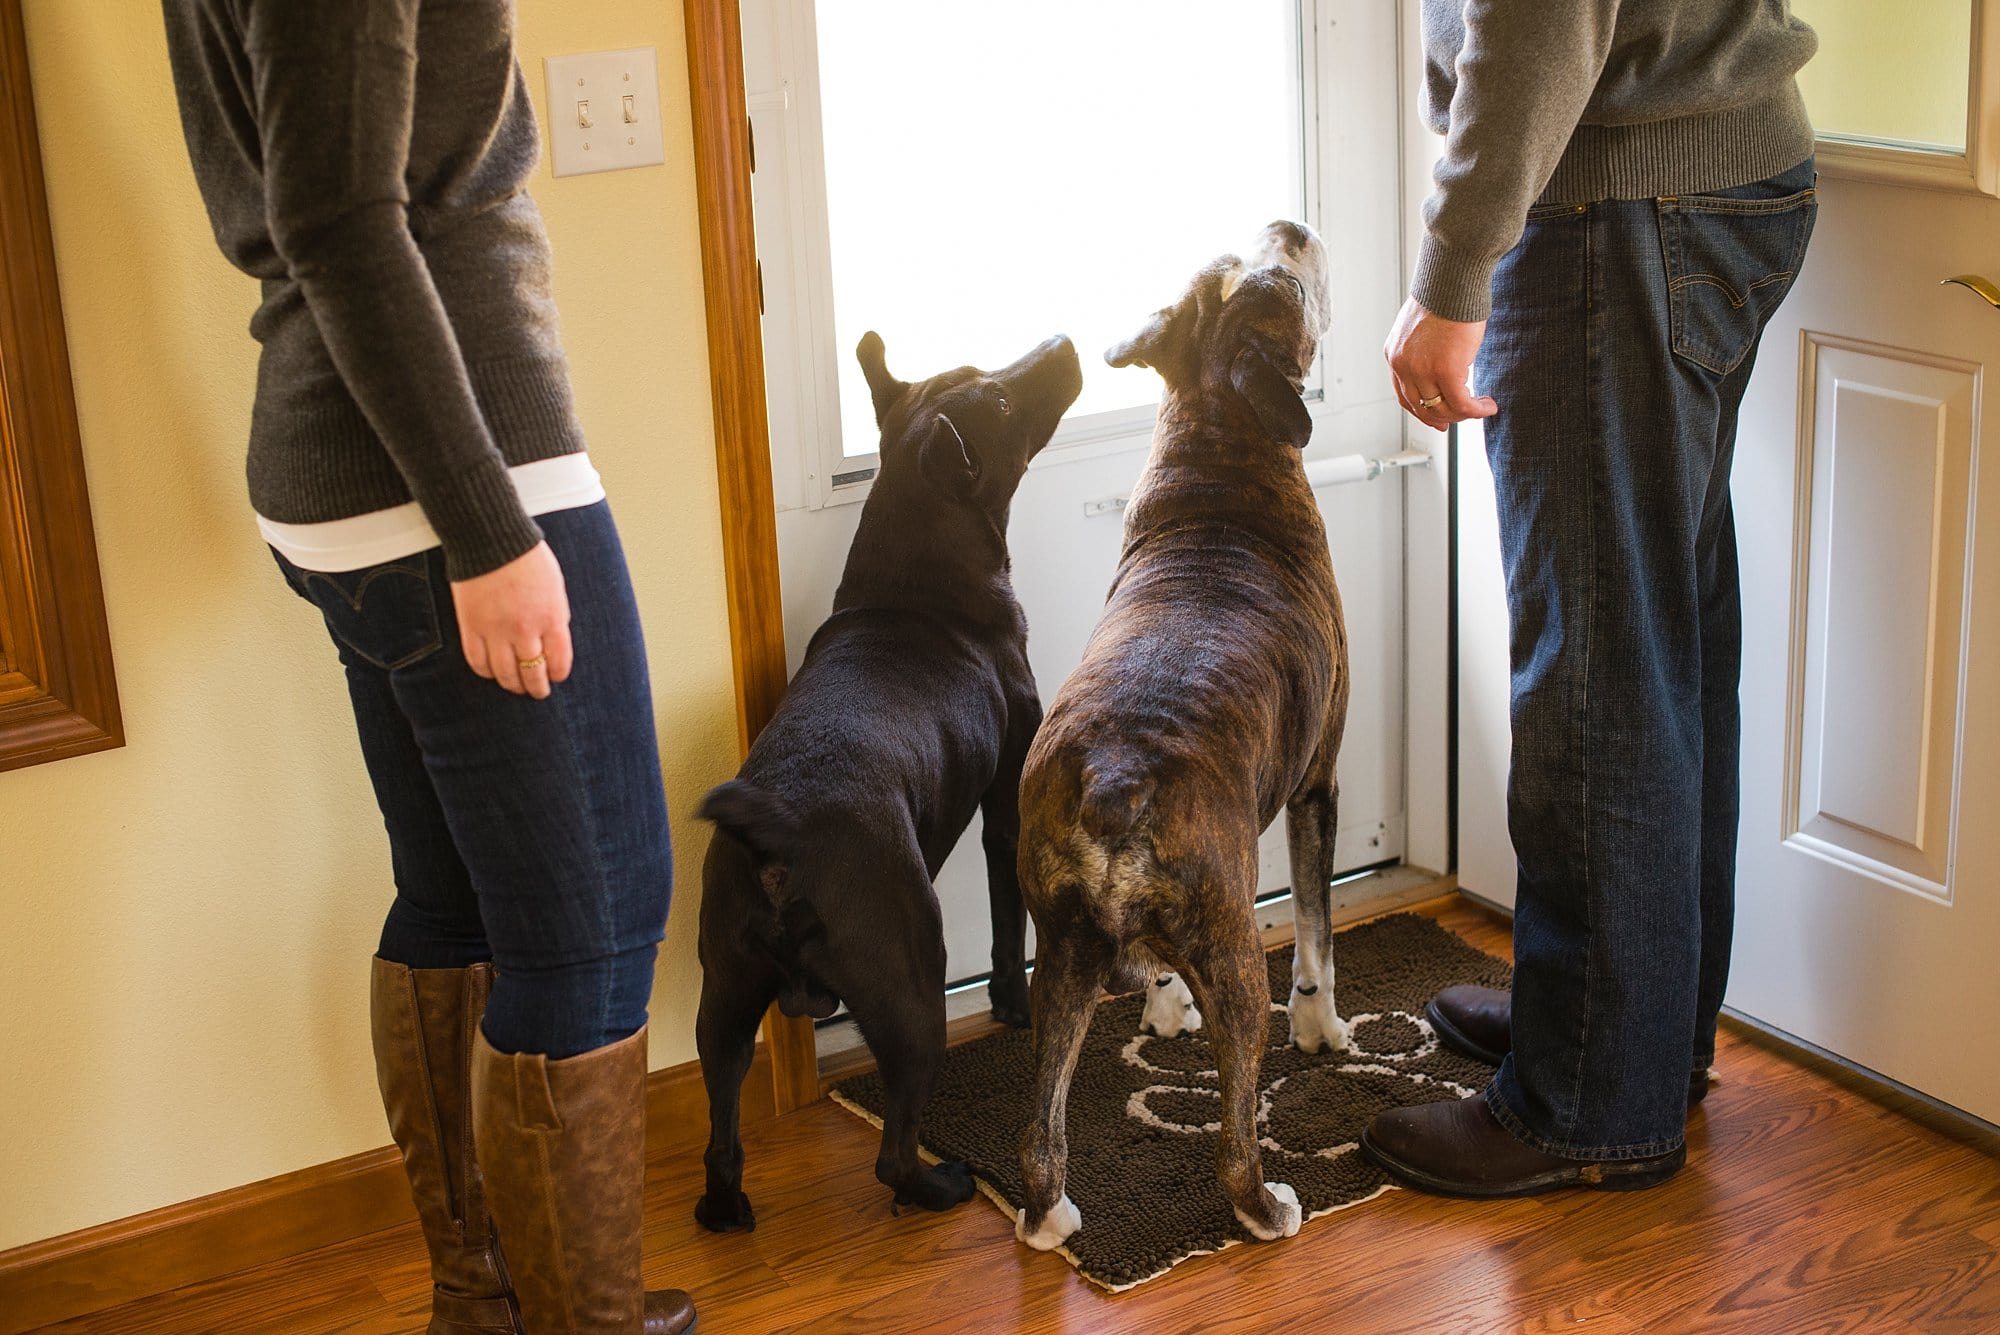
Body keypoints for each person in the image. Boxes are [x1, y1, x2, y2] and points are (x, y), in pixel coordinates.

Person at [162, 3, 695, 1328]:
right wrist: (487, 527)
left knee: (457, 899)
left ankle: (486, 1297)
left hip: (346, 477)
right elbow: (343, 216)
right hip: (449, 488)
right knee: (593, 923)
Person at [1367, 1, 1820, 1195]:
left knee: (1596, 671)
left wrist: (1453, 268)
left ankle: (1586, 1103)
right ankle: (1626, 1037)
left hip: (1612, 196)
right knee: (1654, 638)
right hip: (1706, 166)